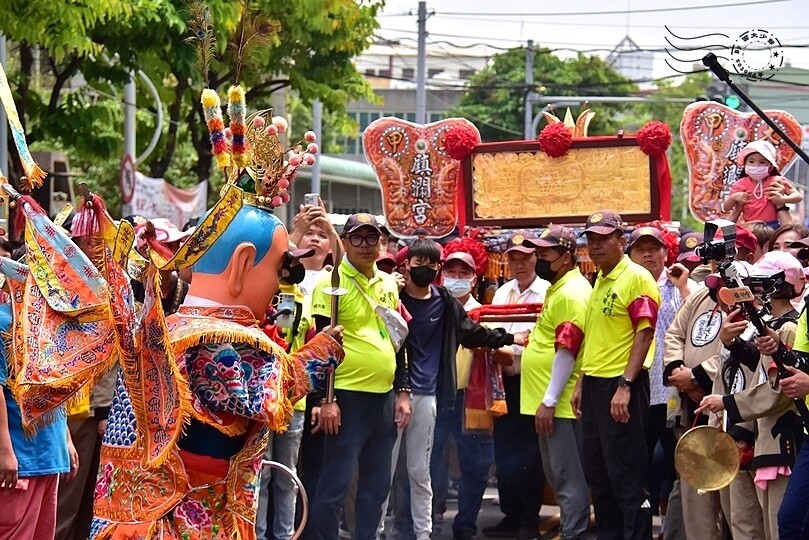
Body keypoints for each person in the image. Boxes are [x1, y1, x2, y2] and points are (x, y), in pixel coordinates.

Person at [388, 238, 524, 540]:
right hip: (395, 393)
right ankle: (384, 531)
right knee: (387, 470)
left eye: (431, 263)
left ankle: (424, 533)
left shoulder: (444, 300)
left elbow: (472, 333)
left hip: (434, 396)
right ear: (407, 265)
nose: (425, 268)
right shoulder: (392, 297)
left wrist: (510, 339)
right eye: (418, 262)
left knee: (421, 471)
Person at [307, 213, 409, 540]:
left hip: (383, 397)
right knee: (335, 484)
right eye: (357, 238)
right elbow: (319, 347)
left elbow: (398, 339)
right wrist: (326, 400)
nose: (365, 245)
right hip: (345, 398)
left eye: (372, 237)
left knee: (377, 486)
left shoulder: (389, 283)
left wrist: (403, 391)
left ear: (381, 241)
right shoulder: (330, 283)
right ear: (345, 240)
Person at [697, 250, 805, 540]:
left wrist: (727, 403)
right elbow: (759, 371)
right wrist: (730, 343)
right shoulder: (773, 326)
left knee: (780, 527)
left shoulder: (788, 327)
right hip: (767, 438)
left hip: (783, 440)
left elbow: (776, 390)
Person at [571, 210, 660, 540]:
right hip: (595, 385)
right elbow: (596, 337)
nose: (595, 246)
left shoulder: (636, 277)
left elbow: (645, 332)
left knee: (627, 477)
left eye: (603, 239)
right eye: (591, 240)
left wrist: (625, 385)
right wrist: (581, 380)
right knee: (600, 476)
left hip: (621, 385)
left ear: (621, 241)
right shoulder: (599, 280)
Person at [520, 225, 592, 540]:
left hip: (559, 404)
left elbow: (568, 349)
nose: (539, 259)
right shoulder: (561, 287)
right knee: (558, 474)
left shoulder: (571, 293)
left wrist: (549, 400)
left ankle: (573, 532)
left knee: (567, 477)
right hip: (550, 401)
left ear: (565, 257)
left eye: (545, 254)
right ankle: (570, 527)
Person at [627, 226, 694, 535]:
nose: (648, 254)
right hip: (635, 390)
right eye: (641, 249)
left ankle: (674, 530)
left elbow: (696, 325)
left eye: (654, 248)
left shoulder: (680, 284)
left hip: (672, 393)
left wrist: (682, 287)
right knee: (637, 466)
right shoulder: (625, 286)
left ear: (666, 252)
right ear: (630, 254)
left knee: (675, 465)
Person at [484, 231, 548, 540]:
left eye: (525, 257)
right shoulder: (502, 292)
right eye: (514, 258)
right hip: (502, 379)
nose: (519, 264)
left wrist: (513, 349)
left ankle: (528, 518)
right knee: (505, 449)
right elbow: (496, 330)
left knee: (530, 451)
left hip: (531, 378)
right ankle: (510, 514)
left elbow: (544, 339)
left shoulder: (547, 291)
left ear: (536, 257)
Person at [0, 300, 80, 540]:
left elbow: (55, 386)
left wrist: (65, 438)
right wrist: (4, 451)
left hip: (48, 454)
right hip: (20, 458)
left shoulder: (53, 320)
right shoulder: (5, 321)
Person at [662, 265, 729, 540]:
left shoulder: (747, 296)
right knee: (694, 496)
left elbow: (739, 344)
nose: (717, 264)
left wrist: (698, 376)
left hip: (726, 405)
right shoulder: (699, 296)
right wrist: (679, 373)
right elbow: (674, 334)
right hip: (691, 406)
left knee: (731, 502)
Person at [723, 139, 802, 228]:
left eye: (762, 162)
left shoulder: (777, 181)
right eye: (751, 162)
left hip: (772, 226)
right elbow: (726, 208)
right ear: (745, 164)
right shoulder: (740, 183)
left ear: (770, 166)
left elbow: (798, 196)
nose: (756, 166)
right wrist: (733, 197)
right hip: (749, 226)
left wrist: (783, 199)